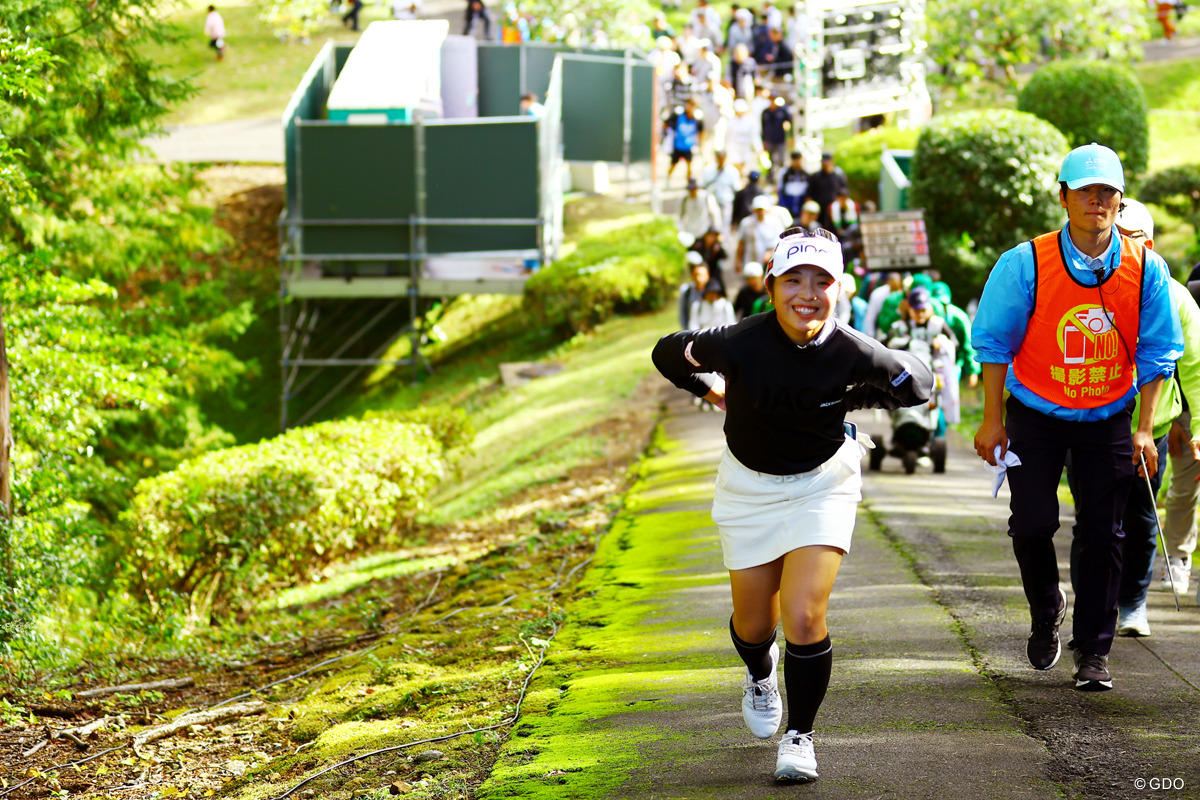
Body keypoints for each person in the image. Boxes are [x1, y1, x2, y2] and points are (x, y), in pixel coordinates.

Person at [652, 227, 934, 782]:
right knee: (755, 625)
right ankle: (761, 674)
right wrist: (709, 389)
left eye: (822, 281)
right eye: (793, 279)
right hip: (747, 487)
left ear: (840, 289)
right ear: (770, 285)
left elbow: (917, 385)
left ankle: (800, 737)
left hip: (822, 484)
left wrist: (862, 390)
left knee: (803, 614)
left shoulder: (853, 349)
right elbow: (667, 353)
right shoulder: (737, 341)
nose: (807, 293)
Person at [971, 143, 1183, 692]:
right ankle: (1047, 608)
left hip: (1109, 413)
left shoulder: (1146, 268)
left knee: (1104, 532)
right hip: (1035, 412)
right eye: (1085, 190)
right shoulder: (1025, 263)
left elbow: (1159, 352)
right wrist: (992, 419)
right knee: (1032, 523)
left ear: (1120, 199)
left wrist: (1144, 429)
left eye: (1107, 191)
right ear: (1063, 197)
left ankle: (1093, 649)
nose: (1097, 200)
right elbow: (993, 343)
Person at [1066, 199, 1200, 637]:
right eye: (1115, 237)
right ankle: (1090, 607)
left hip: (1150, 428)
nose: (1120, 245)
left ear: (1151, 245)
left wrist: (1197, 427)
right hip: (1086, 422)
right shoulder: (1083, 282)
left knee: (1141, 519)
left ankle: (1133, 603)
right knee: (1091, 521)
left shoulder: (1175, 296)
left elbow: (1194, 368)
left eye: (1131, 238)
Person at [736, 194, 790, 271]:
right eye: (758, 209)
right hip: (751, 261)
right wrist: (738, 261)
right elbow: (741, 243)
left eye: (762, 209)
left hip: (770, 263)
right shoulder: (746, 223)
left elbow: (781, 243)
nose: (760, 212)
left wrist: (770, 253)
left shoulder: (775, 222)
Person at [805, 151, 849, 232]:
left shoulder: (838, 175)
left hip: (834, 211)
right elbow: (809, 195)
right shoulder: (816, 176)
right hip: (820, 212)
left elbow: (844, 192)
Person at [665, 98, 705, 183]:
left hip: (688, 147)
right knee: (673, 165)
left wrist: (702, 146)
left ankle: (689, 183)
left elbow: (701, 132)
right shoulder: (678, 115)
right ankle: (667, 180)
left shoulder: (697, 119)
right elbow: (666, 124)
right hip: (677, 146)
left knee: (689, 166)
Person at [701, 152, 740, 235]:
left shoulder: (732, 171)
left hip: (725, 202)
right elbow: (703, 184)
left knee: (725, 223)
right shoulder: (708, 170)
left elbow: (737, 188)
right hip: (711, 201)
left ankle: (723, 240)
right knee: (712, 223)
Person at [760, 96, 791, 181]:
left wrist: (790, 136)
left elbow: (789, 122)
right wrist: (763, 140)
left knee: (781, 159)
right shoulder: (766, 112)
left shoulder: (782, 111)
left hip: (780, 139)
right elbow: (763, 127)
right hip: (769, 140)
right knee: (770, 160)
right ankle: (770, 177)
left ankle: (781, 178)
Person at [777, 151, 809, 218]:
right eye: (795, 160)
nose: (797, 162)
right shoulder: (785, 173)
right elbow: (780, 190)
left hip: (801, 201)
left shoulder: (806, 174)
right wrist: (783, 205)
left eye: (798, 159)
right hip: (788, 201)